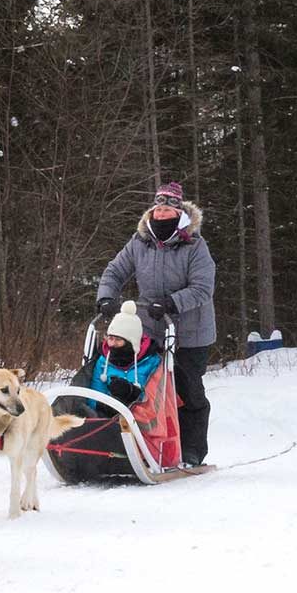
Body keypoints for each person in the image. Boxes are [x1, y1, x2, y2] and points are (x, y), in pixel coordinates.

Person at [96, 181, 216, 463]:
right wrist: (105, 298)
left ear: (179, 213)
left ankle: (192, 451)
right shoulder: (140, 243)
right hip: (150, 329)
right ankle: (148, 446)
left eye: (167, 210)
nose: (161, 215)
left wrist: (173, 302)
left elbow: (202, 288)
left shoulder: (195, 245)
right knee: (148, 388)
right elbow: (115, 271)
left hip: (190, 332)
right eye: (158, 210)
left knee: (187, 391)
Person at [92, 300, 163, 406]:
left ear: (131, 341)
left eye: (118, 340)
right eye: (110, 338)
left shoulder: (152, 362)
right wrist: (102, 407)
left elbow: (157, 400)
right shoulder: (103, 361)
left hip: (142, 418)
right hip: (108, 417)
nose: (112, 344)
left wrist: (131, 392)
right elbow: (95, 394)